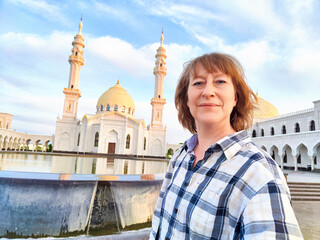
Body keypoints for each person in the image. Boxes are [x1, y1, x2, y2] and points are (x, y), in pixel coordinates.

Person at [150, 52, 303, 239]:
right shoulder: (180, 157)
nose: (208, 92)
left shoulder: (258, 173)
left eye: (220, 82)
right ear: (186, 99)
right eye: (198, 83)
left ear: (236, 98)